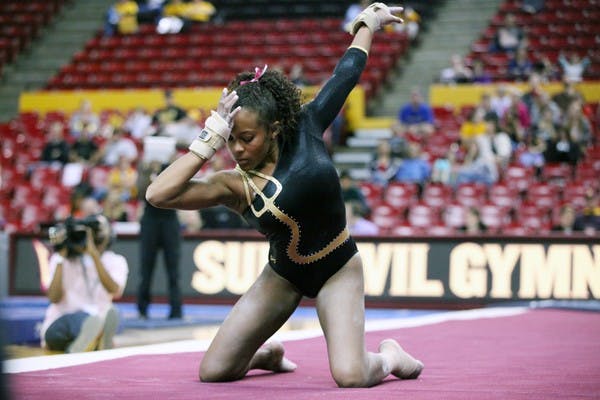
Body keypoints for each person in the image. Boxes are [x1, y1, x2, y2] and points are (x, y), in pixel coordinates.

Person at [146, 3, 423, 386]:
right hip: (283, 275)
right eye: (232, 141)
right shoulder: (234, 184)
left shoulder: (307, 126)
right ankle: (266, 354)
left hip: (337, 269)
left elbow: (346, 74)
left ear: (274, 129)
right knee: (214, 371)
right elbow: (158, 195)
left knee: (351, 375)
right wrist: (209, 138)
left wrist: (368, 23)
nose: (238, 150)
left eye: (247, 139)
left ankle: (390, 356)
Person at [40, 214, 129, 353]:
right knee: (56, 333)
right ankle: (93, 341)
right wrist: (61, 256)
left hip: (94, 316)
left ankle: (83, 343)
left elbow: (114, 290)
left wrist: (93, 254)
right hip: (61, 321)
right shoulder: (61, 259)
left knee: (106, 317)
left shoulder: (116, 260)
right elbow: (53, 297)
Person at [136, 160, 182, 319]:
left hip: (169, 219)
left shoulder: (174, 165)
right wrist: (148, 171)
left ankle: (176, 310)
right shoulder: (146, 169)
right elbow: (141, 192)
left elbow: (178, 188)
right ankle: (142, 309)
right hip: (151, 219)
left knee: (173, 270)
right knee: (146, 267)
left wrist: (172, 164)